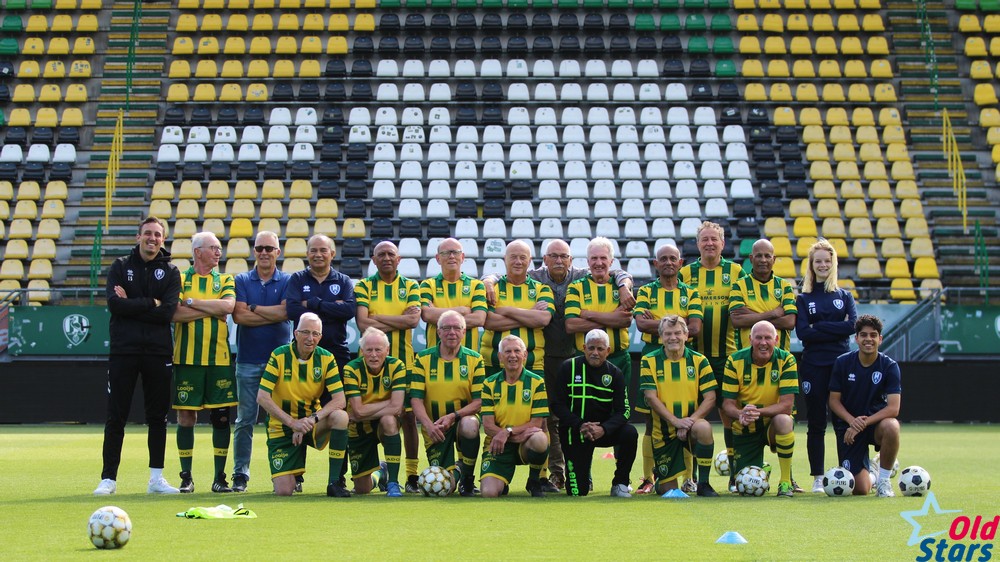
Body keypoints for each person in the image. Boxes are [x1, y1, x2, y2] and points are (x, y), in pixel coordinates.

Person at [483, 238, 633, 492]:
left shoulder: (583, 275)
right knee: (550, 417)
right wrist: (491, 283)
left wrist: (622, 288)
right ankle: (555, 474)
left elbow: (616, 272)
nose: (559, 260)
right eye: (553, 256)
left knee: (597, 413)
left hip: (580, 355)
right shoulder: (535, 277)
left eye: (564, 256)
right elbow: (499, 279)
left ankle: (594, 475)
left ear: (572, 260)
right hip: (547, 357)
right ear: (543, 260)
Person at [95, 216, 182, 495]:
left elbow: (167, 312)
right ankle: (108, 479)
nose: (152, 238)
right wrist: (150, 303)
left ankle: (156, 479)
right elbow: (113, 305)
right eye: (148, 233)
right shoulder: (121, 266)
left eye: (157, 234)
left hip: (158, 352)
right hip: (124, 351)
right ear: (138, 237)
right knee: (115, 416)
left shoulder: (171, 271)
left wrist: (131, 302)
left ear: (163, 239)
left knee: (158, 417)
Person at [481, 240, 557, 492]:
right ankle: (492, 464)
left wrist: (505, 310)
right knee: (492, 416)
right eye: (513, 257)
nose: (518, 261)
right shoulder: (492, 287)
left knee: (540, 423)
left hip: (532, 364)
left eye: (523, 257)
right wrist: (527, 312)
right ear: (504, 260)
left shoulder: (541, 288)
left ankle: (539, 477)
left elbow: (543, 318)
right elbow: (488, 321)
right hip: (495, 365)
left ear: (530, 261)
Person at [729, 238, 802, 493]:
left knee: (783, 420)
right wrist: (773, 314)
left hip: (777, 364)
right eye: (757, 255)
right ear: (751, 259)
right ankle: (742, 469)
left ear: (774, 259)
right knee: (742, 483)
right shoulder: (739, 285)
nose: (762, 259)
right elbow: (737, 320)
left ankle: (786, 478)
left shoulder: (784, 286)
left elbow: (791, 321)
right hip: (744, 364)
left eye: (767, 255)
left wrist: (753, 315)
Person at [679, 220, 747, 490]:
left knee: (730, 415)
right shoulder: (685, 273)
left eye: (713, 239)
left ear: (722, 244)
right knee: (694, 415)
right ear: (698, 244)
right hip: (693, 357)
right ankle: (691, 476)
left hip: (727, 357)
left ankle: (734, 474)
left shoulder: (736, 271)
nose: (709, 243)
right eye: (704, 239)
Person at [632, 243, 703, 495]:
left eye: (673, 258)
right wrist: (674, 323)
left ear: (681, 263)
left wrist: (659, 322)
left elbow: (694, 329)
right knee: (652, 422)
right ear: (656, 264)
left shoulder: (691, 293)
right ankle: (648, 477)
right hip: (651, 357)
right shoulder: (646, 291)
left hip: (684, 360)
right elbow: (640, 324)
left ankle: (688, 477)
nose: (669, 262)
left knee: (690, 418)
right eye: (663, 259)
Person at [256, 313, 351, 497]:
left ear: (320, 337)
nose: (310, 338)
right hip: (282, 426)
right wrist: (293, 423)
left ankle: (335, 483)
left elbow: (340, 400)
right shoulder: (279, 355)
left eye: (315, 334)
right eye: (306, 332)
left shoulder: (327, 358)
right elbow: (262, 397)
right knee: (284, 491)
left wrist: (312, 419)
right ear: (296, 333)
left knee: (341, 417)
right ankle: (293, 470)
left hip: (310, 424)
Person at [172, 231, 238, 493]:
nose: (218, 252)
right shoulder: (178, 278)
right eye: (213, 247)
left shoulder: (225, 278)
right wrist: (210, 308)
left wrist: (192, 303)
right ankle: (186, 477)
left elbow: (228, 308)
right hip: (187, 361)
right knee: (186, 416)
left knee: (221, 418)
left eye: (219, 248)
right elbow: (174, 313)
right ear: (197, 252)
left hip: (219, 359)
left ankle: (219, 478)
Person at [354, 241, 422, 493]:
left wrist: (378, 318)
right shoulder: (364, 285)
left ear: (399, 259)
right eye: (380, 254)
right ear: (373, 259)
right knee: (372, 418)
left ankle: (412, 475)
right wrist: (398, 320)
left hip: (404, 365)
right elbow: (362, 323)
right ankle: (375, 472)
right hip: (371, 365)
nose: (386, 258)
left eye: (390, 254)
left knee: (408, 418)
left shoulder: (411, 286)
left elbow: (413, 321)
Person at [230, 230, 291, 493]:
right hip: (248, 361)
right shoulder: (242, 279)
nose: (264, 252)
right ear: (254, 252)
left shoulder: (289, 280)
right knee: (245, 420)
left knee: (283, 419)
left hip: (279, 363)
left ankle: (289, 471)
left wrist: (254, 308)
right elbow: (239, 317)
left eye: (269, 248)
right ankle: (240, 474)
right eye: (259, 248)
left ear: (278, 252)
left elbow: (287, 312)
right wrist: (272, 314)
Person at [796, 239, 857, 492]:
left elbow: (852, 326)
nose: (823, 264)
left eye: (826, 260)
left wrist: (818, 326)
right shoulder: (804, 297)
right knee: (817, 422)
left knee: (843, 420)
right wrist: (833, 328)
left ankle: (848, 471)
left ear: (833, 264)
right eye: (818, 261)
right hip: (813, 365)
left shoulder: (845, 296)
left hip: (841, 364)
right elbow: (803, 333)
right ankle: (818, 477)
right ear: (811, 265)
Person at [550, 329, 637, 497]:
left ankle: (620, 483)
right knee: (577, 492)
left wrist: (603, 429)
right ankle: (581, 478)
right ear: (583, 348)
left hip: (603, 432)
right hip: (575, 433)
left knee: (629, 433)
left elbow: (624, 411)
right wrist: (580, 424)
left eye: (600, 349)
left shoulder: (615, 373)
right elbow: (557, 405)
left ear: (608, 351)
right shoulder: (568, 367)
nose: (595, 353)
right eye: (591, 348)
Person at [640, 316, 719, 497]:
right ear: (661, 337)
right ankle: (661, 477)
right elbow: (651, 398)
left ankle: (704, 484)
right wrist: (676, 422)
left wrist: (689, 422)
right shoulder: (649, 361)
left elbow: (710, 398)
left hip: (690, 428)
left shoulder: (700, 361)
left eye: (677, 333)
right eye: (668, 333)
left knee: (704, 427)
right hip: (664, 433)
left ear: (686, 335)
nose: (673, 337)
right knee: (668, 491)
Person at [409, 311, 485, 496]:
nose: (452, 332)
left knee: (469, 424)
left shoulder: (475, 359)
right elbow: (416, 399)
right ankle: (458, 470)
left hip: (459, 422)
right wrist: (428, 426)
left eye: (456, 328)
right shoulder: (423, 359)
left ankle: (467, 478)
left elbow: (479, 402)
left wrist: (454, 416)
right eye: (446, 328)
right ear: (438, 332)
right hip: (435, 428)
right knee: (445, 487)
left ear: (464, 332)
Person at [721, 321, 799, 498]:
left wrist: (757, 412)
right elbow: (727, 404)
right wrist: (740, 413)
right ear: (750, 339)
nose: (763, 342)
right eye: (758, 338)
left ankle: (785, 482)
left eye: (768, 338)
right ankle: (762, 468)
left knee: (784, 420)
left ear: (776, 340)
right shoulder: (735, 361)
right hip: (745, 427)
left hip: (772, 425)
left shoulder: (787, 360)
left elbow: (787, 405)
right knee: (746, 488)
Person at [829, 315, 902, 497]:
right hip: (848, 428)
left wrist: (864, 422)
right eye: (863, 335)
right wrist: (852, 422)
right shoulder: (843, 362)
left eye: (873, 335)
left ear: (880, 339)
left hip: (874, 425)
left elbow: (893, 408)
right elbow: (834, 401)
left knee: (892, 426)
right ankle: (875, 472)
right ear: (856, 338)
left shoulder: (889, 366)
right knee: (860, 489)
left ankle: (884, 481)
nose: (868, 339)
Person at [480, 336, 550, 498]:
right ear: (500, 357)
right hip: (498, 445)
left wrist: (507, 432)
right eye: (508, 351)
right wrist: (510, 437)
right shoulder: (489, 384)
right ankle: (501, 482)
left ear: (525, 355)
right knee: (488, 493)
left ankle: (534, 480)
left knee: (539, 438)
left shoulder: (537, 382)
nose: (513, 355)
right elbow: (488, 426)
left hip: (524, 444)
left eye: (517, 351)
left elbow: (536, 423)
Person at [564, 237, 634, 396]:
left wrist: (589, 315)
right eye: (594, 258)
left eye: (603, 258)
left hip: (619, 358)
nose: (599, 262)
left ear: (611, 261)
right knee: (586, 407)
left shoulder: (621, 287)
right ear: (588, 262)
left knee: (619, 407)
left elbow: (625, 320)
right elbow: (571, 325)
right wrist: (612, 319)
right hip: (584, 359)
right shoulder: (576, 287)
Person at [342, 327, 407, 497]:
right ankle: (381, 472)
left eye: (378, 350)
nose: (373, 355)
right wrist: (389, 402)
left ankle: (393, 481)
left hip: (379, 424)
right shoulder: (351, 369)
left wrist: (364, 411)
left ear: (387, 350)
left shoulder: (397, 366)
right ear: (361, 351)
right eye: (368, 350)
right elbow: (357, 410)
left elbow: (396, 408)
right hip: (358, 429)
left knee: (388, 420)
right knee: (362, 489)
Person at [285, 235, 357, 371]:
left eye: (323, 250)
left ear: (332, 254)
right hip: (303, 353)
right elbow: (292, 311)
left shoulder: (343, 281)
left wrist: (314, 303)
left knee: (337, 393)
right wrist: (334, 309)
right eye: (313, 251)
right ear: (307, 254)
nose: (318, 255)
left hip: (336, 353)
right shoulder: (297, 279)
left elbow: (349, 310)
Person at [419, 238, 488, 351]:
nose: (451, 256)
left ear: (462, 257)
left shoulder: (476, 285)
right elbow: (427, 315)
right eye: (445, 253)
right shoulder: (427, 285)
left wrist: (438, 313)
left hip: (468, 358)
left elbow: (479, 319)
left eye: (455, 252)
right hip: (434, 358)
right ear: (438, 259)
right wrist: (462, 310)